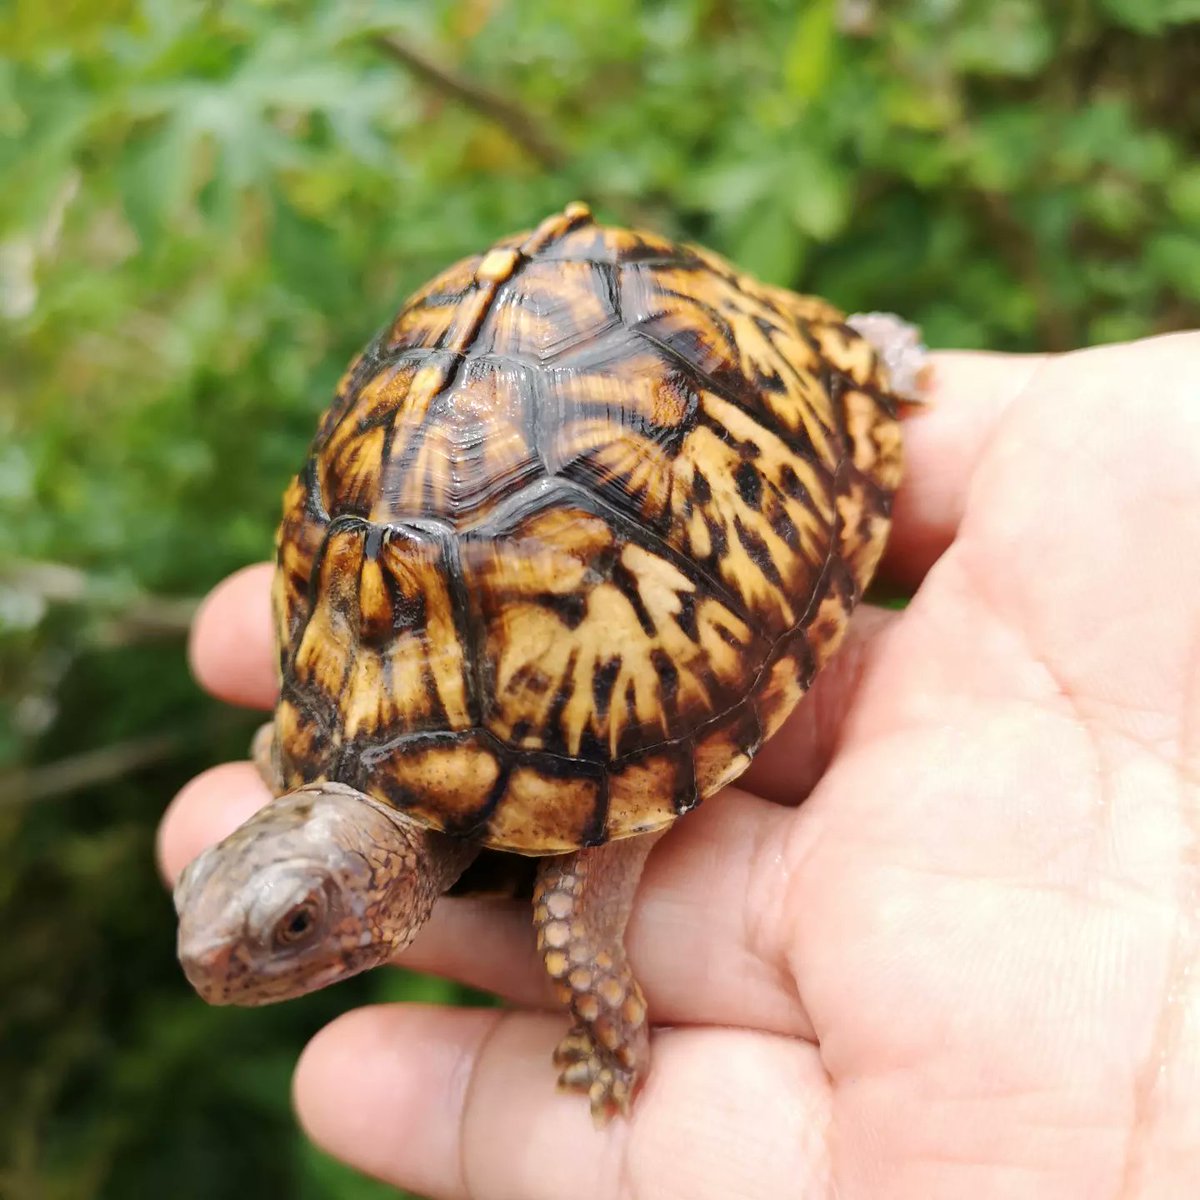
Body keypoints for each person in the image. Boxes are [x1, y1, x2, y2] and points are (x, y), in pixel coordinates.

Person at [159, 334, 1200, 1198]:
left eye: (298, 926)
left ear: (364, 887)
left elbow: (578, 900)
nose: (232, 958)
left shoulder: (413, 763)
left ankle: (836, 368)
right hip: (470, 412)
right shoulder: (309, 732)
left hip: (668, 374)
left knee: (566, 914)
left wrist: (607, 1027)